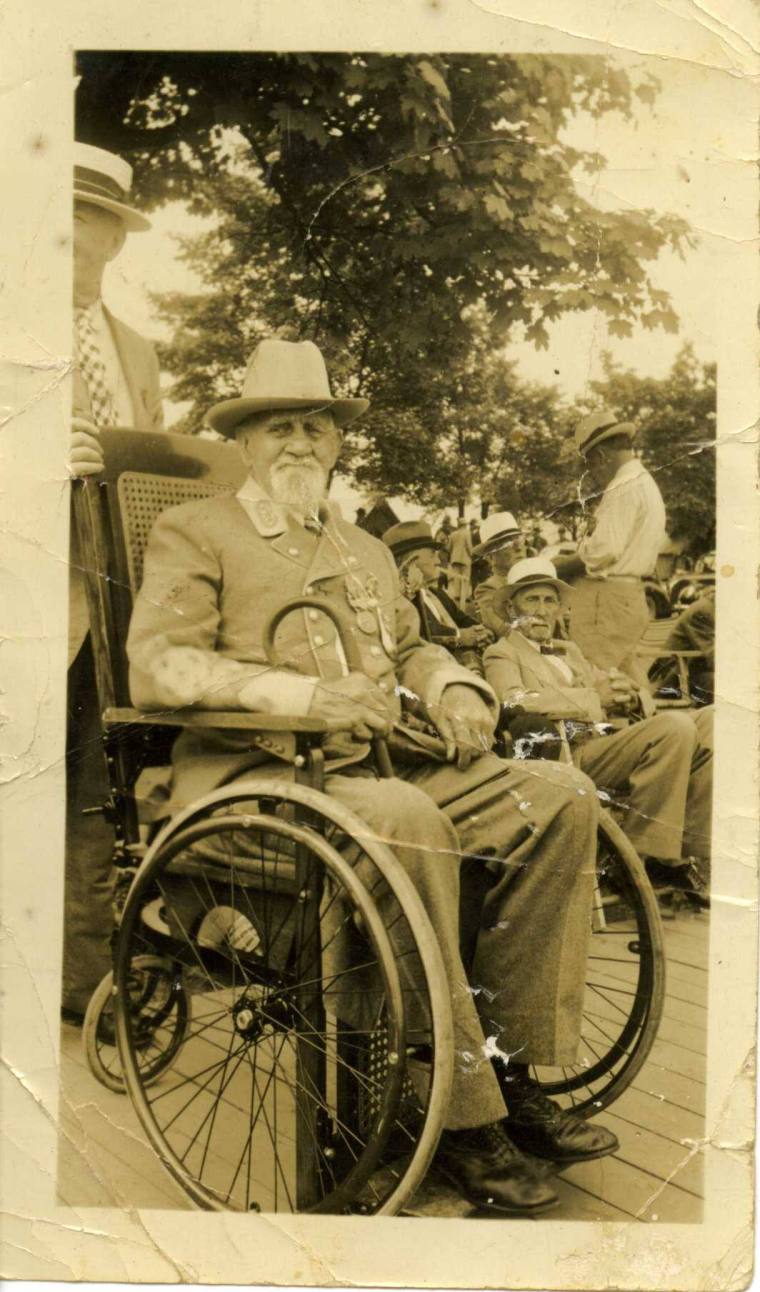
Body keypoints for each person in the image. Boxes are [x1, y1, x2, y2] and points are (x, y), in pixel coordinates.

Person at [127, 338, 619, 1216]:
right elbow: (158, 669)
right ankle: (462, 1118)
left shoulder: (363, 549)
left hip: (374, 768)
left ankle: (509, 1067)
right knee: (401, 816)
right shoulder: (196, 530)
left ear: (336, 444)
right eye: (279, 428)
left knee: (557, 797)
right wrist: (308, 696)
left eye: (316, 429)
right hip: (253, 779)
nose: (301, 445)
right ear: (245, 441)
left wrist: (455, 686)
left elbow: (414, 643)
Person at [63, 142, 164, 1026]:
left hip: (112, 600)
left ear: (114, 238)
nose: (67, 236)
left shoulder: (137, 351)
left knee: (102, 783)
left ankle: (81, 974)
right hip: (26, 600)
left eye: (86, 221)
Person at [483, 558, 712, 909]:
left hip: (606, 739)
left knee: (712, 721)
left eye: (549, 601)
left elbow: (606, 683)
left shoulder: (568, 651)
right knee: (675, 727)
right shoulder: (501, 653)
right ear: (512, 608)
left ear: (559, 608)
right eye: (532, 601)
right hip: (570, 752)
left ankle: (684, 851)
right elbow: (515, 701)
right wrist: (593, 699)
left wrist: (632, 694)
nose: (542, 611)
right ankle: (640, 857)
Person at [555, 410, 666, 671]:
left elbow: (604, 551)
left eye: (589, 464)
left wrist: (560, 567)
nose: (591, 473)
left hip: (606, 601)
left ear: (601, 456)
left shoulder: (623, 486)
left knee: (596, 680)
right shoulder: (645, 483)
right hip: (629, 597)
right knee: (627, 681)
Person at [382, 520, 493, 670]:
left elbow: (462, 618)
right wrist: (460, 637)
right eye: (432, 554)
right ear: (411, 562)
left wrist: (482, 631)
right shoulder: (400, 600)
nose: (438, 560)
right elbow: (422, 635)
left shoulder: (436, 593)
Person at [471, 512, 527, 637]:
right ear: (490, 558)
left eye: (519, 540)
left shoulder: (534, 580)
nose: (518, 547)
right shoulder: (488, 589)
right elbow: (504, 631)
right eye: (507, 544)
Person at [446, 518, 473, 611]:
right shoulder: (467, 533)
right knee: (465, 578)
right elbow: (469, 546)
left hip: (455, 558)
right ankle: (464, 596)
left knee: (456, 577)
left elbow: (448, 548)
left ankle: (457, 595)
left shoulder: (453, 534)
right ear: (465, 525)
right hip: (465, 558)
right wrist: (472, 555)